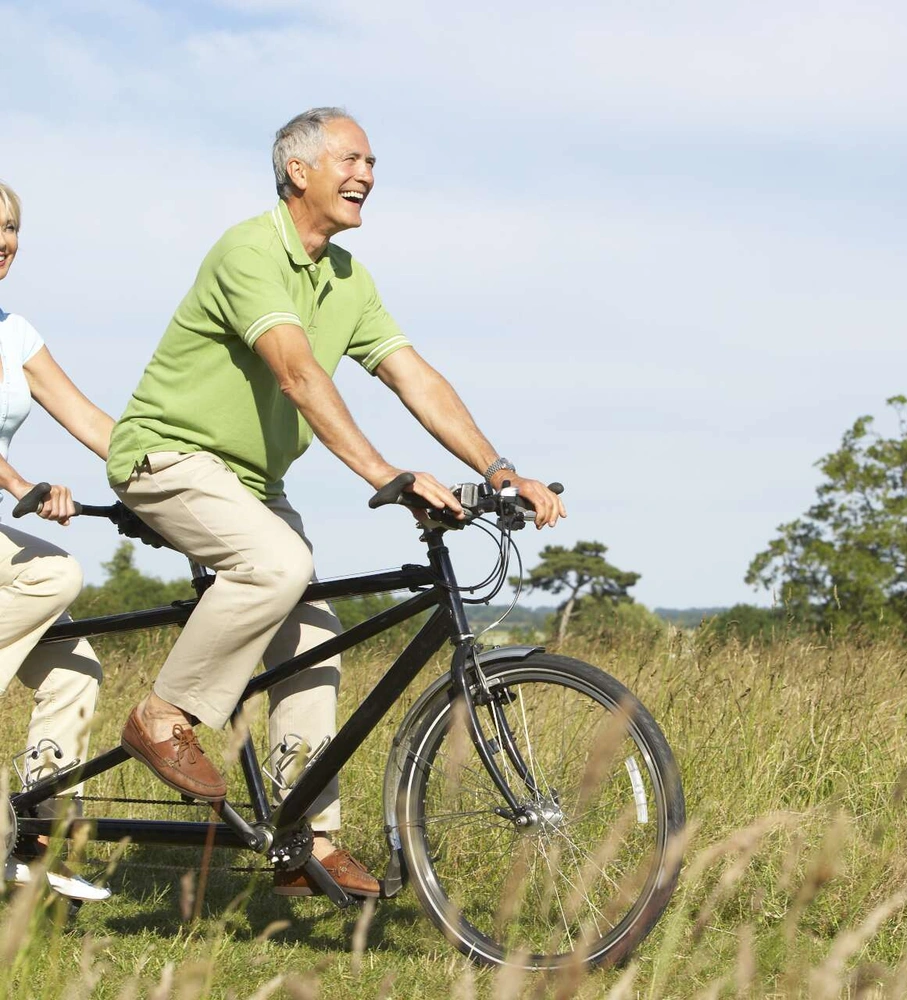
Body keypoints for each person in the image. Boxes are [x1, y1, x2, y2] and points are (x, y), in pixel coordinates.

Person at [107, 107, 566, 897]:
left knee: (316, 635)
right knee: (277, 564)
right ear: (299, 171)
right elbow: (296, 372)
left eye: (373, 162)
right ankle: (161, 715)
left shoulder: (348, 278)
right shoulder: (250, 249)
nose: (368, 175)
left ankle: (303, 839)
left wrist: (497, 469)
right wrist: (385, 472)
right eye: (351, 159)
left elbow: (411, 375)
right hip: (168, 455)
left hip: (255, 483)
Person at [0, 181, 115, 901]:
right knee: (54, 575)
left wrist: (167, 470)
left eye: (10, 227)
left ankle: (29, 837)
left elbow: (86, 416)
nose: (2, 241)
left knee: (77, 670)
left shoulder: (15, 331)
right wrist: (21, 488)